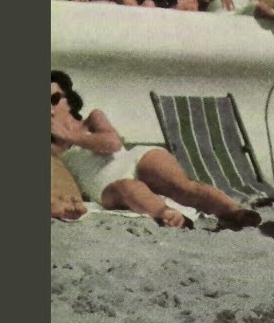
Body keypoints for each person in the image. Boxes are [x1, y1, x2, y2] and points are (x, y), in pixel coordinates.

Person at [50, 70, 261, 229]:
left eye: (54, 99)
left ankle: (235, 212)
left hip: (131, 159)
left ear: (69, 101)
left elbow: (113, 144)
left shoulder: (92, 119)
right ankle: (169, 215)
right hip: (105, 185)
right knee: (128, 187)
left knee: (182, 186)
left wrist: (68, 135)